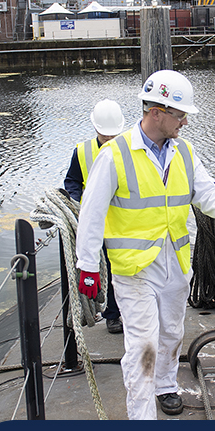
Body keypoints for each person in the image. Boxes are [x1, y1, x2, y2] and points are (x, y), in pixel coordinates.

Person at [75, 70, 215, 419]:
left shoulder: (184, 152)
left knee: (171, 332)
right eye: (180, 114)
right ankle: (142, 420)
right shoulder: (114, 156)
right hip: (135, 269)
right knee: (142, 345)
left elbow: (206, 190)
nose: (185, 122)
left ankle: (166, 385)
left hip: (174, 262)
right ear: (157, 112)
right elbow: (91, 214)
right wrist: (88, 267)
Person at [63, 100, 126, 334]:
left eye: (112, 135)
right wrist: (79, 203)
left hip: (121, 222)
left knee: (119, 268)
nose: (109, 139)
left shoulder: (128, 150)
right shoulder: (82, 151)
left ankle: (117, 312)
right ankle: (111, 314)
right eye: (105, 135)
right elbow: (72, 181)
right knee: (102, 268)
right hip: (95, 222)